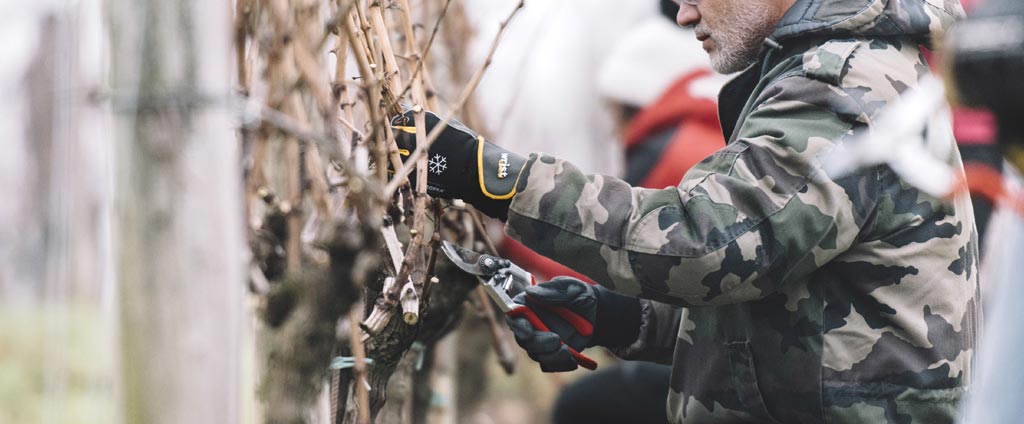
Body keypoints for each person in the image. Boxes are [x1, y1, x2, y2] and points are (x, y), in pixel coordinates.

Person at [392, 0, 978, 422]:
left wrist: (497, 179)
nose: (683, 15)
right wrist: (620, 318)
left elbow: (708, 246)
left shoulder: (841, 84)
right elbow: (793, 304)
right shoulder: (827, 71)